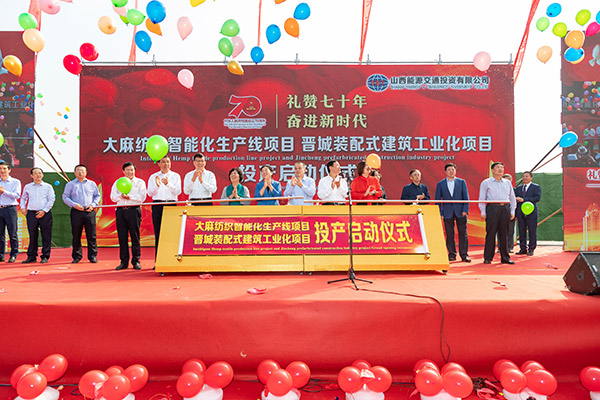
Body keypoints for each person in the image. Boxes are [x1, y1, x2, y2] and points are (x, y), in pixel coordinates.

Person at [110, 162, 147, 270]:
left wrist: (129, 197)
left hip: (133, 210)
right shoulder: (118, 182)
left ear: (135, 171)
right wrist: (121, 196)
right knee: (122, 237)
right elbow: (113, 197)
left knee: (135, 237)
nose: (130, 172)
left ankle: (136, 261)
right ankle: (124, 262)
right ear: (123, 171)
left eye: (132, 170)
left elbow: (142, 197)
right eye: (127, 170)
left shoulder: (140, 182)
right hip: (121, 211)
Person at [478, 162, 517, 265]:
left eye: (502, 167)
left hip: (505, 209)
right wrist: (483, 211)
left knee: (504, 234)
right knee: (491, 233)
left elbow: (512, 198)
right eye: (498, 167)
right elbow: (482, 199)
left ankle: (505, 258)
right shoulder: (486, 182)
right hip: (492, 209)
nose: (500, 169)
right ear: (492, 170)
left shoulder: (507, 183)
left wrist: (512, 211)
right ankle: (488, 258)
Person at [62, 164, 100, 264]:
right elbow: (65, 197)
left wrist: (93, 205)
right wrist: (74, 205)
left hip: (89, 211)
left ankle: (92, 256)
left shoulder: (92, 184)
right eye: (78, 170)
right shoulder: (70, 184)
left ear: (86, 172)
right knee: (76, 234)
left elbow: (97, 196)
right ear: (75, 172)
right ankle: (77, 256)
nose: (80, 172)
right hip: (76, 212)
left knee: (91, 235)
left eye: (82, 170)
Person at [435, 163, 470, 263]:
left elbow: (466, 197)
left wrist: (465, 210)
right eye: (449, 170)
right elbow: (437, 200)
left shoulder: (461, 182)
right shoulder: (441, 184)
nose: (451, 171)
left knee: (463, 233)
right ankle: (452, 254)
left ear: (455, 171)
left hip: (460, 211)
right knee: (449, 234)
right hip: (447, 212)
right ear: (445, 172)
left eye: (452, 169)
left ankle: (464, 255)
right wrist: (440, 213)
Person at [147, 155, 182, 258]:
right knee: (158, 233)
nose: (166, 164)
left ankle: (171, 259)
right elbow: (149, 193)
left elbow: (178, 191)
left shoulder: (175, 176)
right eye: (163, 162)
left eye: (168, 162)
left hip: (171, 205)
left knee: (171, 233)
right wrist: (157, 186)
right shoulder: (153, 177)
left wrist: (168, 184)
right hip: (157, 205)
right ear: (158, 164)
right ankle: (159, 260)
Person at [20, 167, 55, 263]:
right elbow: (23, 198)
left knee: (46, 236)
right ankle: (31, 256)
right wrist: (23, 207)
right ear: (31, 176)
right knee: (32, 235)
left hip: (45, 214)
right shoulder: (28, 187)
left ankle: (45, 256)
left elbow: (51, 199)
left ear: (42, 175)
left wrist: (44, 211)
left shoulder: (48, 187)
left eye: (39, 173)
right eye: (35, 173)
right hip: (31, 213)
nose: (38, 175)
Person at [515, 171, 542, 256]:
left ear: (531, 178)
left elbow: (537, 198)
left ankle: (531, 249)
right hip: (520, 212)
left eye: (527, 176)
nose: (524, 178)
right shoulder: (519, 188)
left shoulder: (536, 187)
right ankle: (523, 248)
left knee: (532, 231)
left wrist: (524, 200)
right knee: (521, 231)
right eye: (523, 176)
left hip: (531, 212)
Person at [0, 161, 21, 262]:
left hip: (10, 209)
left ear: (9, 170)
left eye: (4, 168)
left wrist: (4, 192)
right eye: (0, 169)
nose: (2, 171)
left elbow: (17, 195)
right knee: (0, 234)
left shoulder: (15, 182)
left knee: (12, 233)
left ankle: (13, 254)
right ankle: (1, 255)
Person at [497, 174, 516, 253]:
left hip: (510, 211)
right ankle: (500, 247)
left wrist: (513, 212)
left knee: (510, 230)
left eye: (509, 180)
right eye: (505, 179)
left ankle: (509, 247)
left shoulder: (514, 190)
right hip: (499, 211)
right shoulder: (498, 189)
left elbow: (514, 201)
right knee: (500, 230)